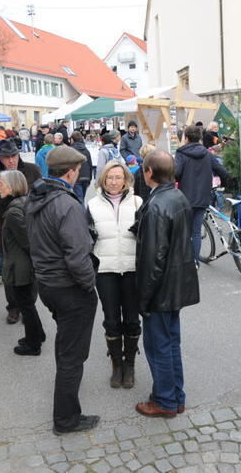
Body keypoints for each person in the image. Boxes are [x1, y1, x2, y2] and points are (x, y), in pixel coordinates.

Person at [26, 146, 99, 435]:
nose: (78, 174)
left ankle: (66, 408)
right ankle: (66, 419)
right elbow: (77, 255)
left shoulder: (37, 195)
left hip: (48, 284)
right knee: (73, 355)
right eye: (78, 170)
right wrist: (89, 284)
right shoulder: (67, 204)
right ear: (70, 172)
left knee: (65, 346)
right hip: (69, 288)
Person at [135, 150, 199, 418]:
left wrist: (144, 298)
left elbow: (154, 259)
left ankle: (165, 401)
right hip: (176, 284)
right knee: (171, 342)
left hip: (162, 288)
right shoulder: (177, 196)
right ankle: (175, 396)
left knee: (159, 345)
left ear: (149, 172)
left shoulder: (159, 204)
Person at [87, 161, 142, 388]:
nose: (114, 182)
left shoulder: (138, 202)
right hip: (105, 270)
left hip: (131, 269)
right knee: (111, 320)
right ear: (102, 180)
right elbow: (86, 238)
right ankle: (116, 365)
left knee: (131, 318)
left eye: (118, 177)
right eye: (109, 177)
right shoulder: (92, 205)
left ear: (126, 180)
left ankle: (130, 364)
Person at [0, 140, 42, 324]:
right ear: (0, 158)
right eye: (6, 157)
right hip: (5, 228)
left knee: (30, 268)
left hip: (30, 226)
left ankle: (29, 307)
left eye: (13, 156)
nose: (10, 161)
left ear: (18, 155)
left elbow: (41, 197)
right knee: (8, 268)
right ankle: (13, 307)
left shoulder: (32, 170)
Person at [0, 170, 45, 356]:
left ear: (11, 186)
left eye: (1, 184)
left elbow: (28, 242)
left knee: (26, 305)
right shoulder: (20, 204)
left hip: (21, 267)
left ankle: (33, 344)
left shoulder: (14, 211)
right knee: (26, 304)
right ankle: (37, 335)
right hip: (22, 265)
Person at [175, 125, 229, 264]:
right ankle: (195, 261)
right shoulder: (207, 154)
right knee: (196, 232)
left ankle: (186, 262)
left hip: (185, 198)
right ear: (199, 138)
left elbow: (176, 173)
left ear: (186, 138)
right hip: (203, 197)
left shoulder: (181, 153)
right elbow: (221, 170)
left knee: (185, 232)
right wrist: (224, 182)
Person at [70, 131, 93, 204]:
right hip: (86, 176)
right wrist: (90, 178)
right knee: (82, 197)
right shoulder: (86, 150)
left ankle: (82, 214)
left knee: (79, 199)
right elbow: (90, 164)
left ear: (72, 139)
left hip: (76, 177)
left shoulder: (71, 150)